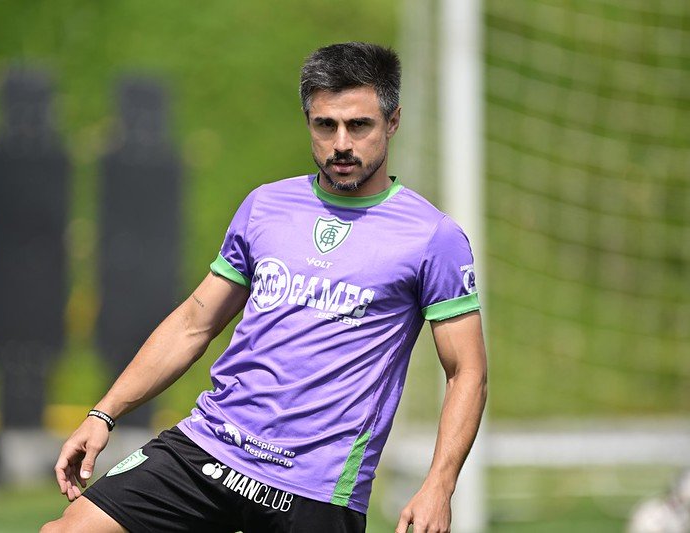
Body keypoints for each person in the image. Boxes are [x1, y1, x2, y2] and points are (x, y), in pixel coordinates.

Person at [42, 41, 487, 533]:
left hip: (314, 489)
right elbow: (194, 322)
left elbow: (466, 371)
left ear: (393, 121)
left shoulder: (432, 237)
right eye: (325, 125)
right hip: (210, 449)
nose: (341, 143)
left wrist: (439, 487)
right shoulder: (265, 206)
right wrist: (102, 415)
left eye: (359, 125)